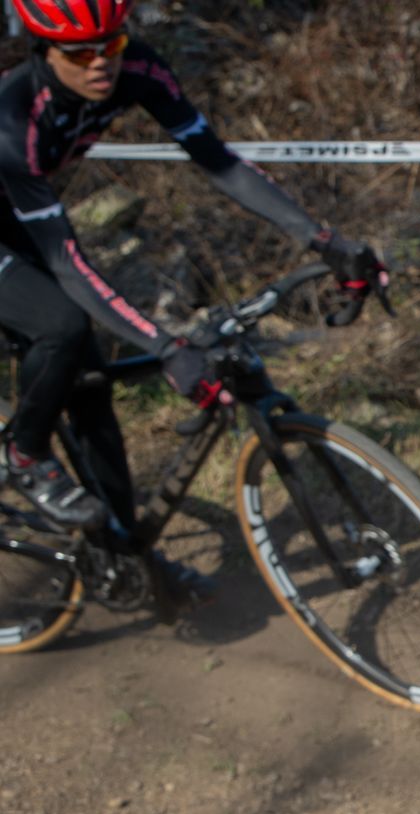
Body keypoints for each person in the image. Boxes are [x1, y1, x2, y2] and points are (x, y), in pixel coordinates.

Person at [0, 0, 386, 603]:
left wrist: (326, 241)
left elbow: (222, 165)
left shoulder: (139, 69)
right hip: (20, 232)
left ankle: (125, 558)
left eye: (112, 43)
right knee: (63, 325)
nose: (101, 62)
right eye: (80, 51)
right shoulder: (12, 114)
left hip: (19, 223)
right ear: (43, 51)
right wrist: (165, 346)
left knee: (90, 390)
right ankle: (23, 454)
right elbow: (65, 262)